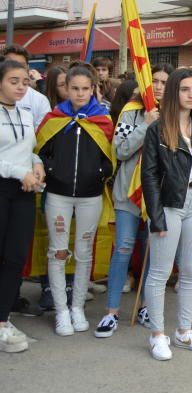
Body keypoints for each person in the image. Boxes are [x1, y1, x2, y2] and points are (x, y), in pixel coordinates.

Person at [141, 67, 192, 361]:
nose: (191, 95)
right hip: (168, 204)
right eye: (185, 89)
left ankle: (184, 331)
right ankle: (157, 334)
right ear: (174, 92)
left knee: (190, 271)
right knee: (160, 273)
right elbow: (148, 176)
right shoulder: (157, 129)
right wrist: (156, 216)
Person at [95, 64, 173, 336]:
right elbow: (122, 149)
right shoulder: (131, 112)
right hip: (129, 192)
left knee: (151, 250)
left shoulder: (174, 116)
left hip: (159, 194)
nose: (160, 86)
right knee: (124, 247)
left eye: (165, 81)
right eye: (155, 81)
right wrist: (146, 126)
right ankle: (111, 312)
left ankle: (144, 305)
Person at [35, 66, 114, 336]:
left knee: (83, 254)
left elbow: (110, 155)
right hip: (58, 195)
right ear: (66, 89)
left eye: (85, 88)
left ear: (93, 89)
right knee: (57, 253)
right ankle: (61, 311)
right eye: (75, 88)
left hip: (90, 197)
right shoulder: (53, 118)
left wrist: (101, 172)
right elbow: (39, 152)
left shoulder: (103, 119)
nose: (80, 93)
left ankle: (77, 306)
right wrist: (53, 170)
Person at [0, 60, 45, 353]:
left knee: (16, 257)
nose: (20, 87)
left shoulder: (26, 113)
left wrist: (37, 163)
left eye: (24, 82)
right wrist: (20, 172)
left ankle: (3, 321)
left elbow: (27, 149)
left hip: (25, 191)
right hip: (3, 187)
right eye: (13, 81)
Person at [1, 44, 50, 128]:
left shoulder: (40, 100)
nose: (16, 68)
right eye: (11, 64)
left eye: (21, 65)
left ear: (27, 67)